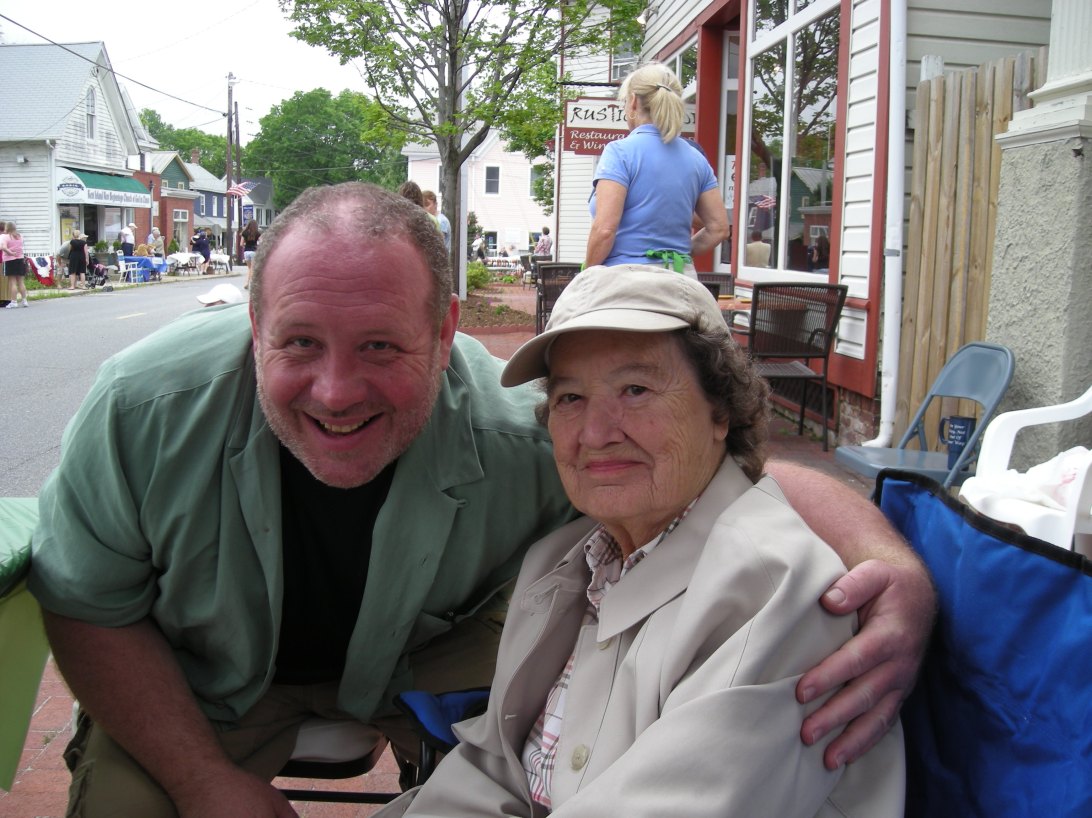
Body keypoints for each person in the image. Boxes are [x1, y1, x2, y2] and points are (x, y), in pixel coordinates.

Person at [29, 182, 932, 817]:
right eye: (299, 342)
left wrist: (888, 563)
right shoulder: (142, 409)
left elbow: (732, 478)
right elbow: (86, 603)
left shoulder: (535, 438)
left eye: (381, 346)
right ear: (253, 325)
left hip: (418, 658)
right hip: (203, 685)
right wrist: (199, 782)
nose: (336, 392)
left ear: (444, 331)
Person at [378, 265, 904, 816]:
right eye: (570, 398)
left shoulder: (774, 592)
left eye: (636, 390)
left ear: (721, 410)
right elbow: (494, 767)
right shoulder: (562, 561)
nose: (596, 433)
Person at [584, 62, 729, 276]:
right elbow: (719, 228)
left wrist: (586, 274)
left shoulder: (619, 152)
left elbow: (605, 230)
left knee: (569, 299)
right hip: (681, 277)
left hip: (625, 278)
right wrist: (676, 254)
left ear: (633, 101)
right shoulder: (696, 158)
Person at [1, 221, 28, 308]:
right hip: (20, 259)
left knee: (12, 282)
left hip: (10, 260)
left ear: (7, 228)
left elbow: (3, 247)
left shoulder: (5, 237)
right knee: (21, 282)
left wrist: (11, 253)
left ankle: (14, 301)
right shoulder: (20, 236)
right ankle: (24, 300)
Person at [241, 219, 261, 290]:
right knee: (252, 269)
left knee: (249, 268)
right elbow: (262, 241)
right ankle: (250, 283)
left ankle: (248, 283)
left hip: (246, 252)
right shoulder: (257, 233)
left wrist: (246, 245)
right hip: (254, 252)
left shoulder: (244, 233)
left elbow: (241, 244)